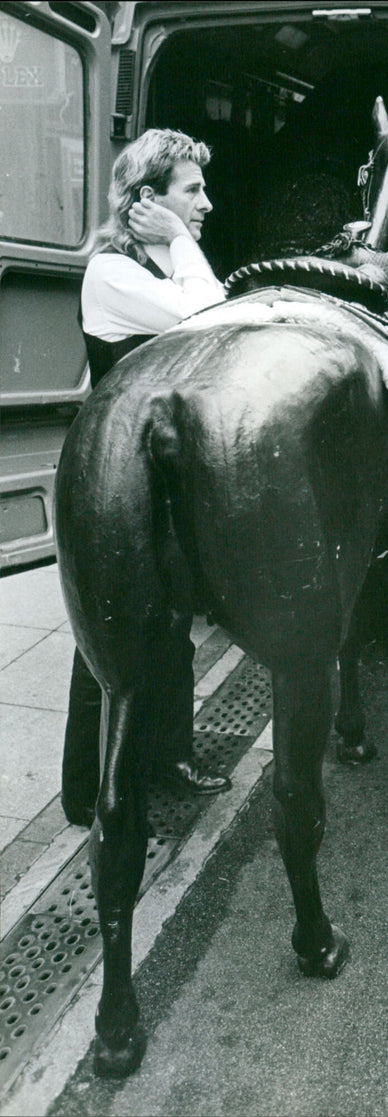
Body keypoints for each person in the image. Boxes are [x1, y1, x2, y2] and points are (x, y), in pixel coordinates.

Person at [62, 128, 231, 827]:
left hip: (154, 476)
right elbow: (211, 313)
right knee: (109, 634)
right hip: (112, 486)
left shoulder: (157, 268)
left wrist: (179, 244)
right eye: (191, 191)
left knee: (171, 624)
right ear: (146, 201)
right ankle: (91, 789)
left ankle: (169, 754)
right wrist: (183, 244)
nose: (207, 204)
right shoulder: (111, 272)